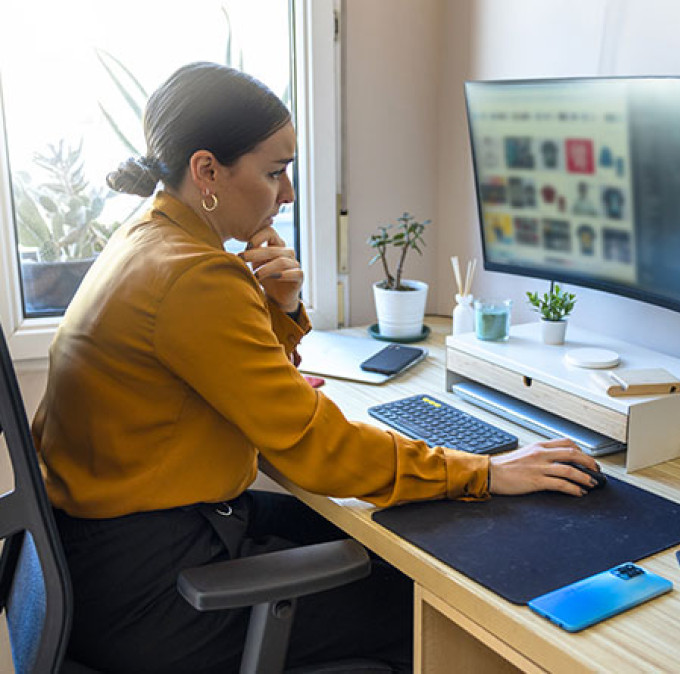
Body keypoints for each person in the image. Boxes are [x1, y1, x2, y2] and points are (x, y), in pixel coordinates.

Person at [32, 62, 600, 674]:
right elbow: (315, 447)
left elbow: (244, 390)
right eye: (274, 172)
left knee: (389, 541)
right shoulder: (196, 275)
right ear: (207, 170)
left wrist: (281, 308)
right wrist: (484, 471)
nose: (289, 194)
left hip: (98, 562)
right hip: (157, 591)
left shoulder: (148, 238)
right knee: (430, 605)